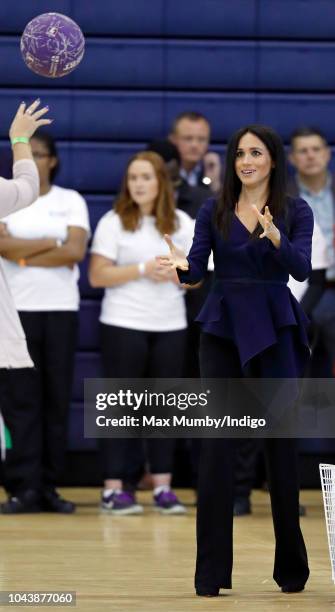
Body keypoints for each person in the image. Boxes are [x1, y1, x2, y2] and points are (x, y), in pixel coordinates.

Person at [157, 125, 312, 595]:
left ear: (273, 159)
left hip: (276, 327)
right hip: (222, 329)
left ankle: (292, 571)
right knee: (217, 448)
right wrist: (182, 268)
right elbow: (198, 269)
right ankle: (211, 575)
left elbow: (301, 268)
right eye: (240, 153)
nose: (247, 160)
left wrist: (275, 238)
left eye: (256, 152)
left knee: (281, 449)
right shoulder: (213, 208)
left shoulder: (295, 210)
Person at [89, 151, 195, 515]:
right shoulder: (114, 221)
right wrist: (142, 268)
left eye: (145, 177)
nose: (138, 184)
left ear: (160, 182)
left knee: (164, 409)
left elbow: (196, 280)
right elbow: (97, 275)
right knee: (120, 406)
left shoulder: (182, 222)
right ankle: (113, 488)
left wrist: (179, 273)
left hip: (169, 325)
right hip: (123, 323)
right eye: (133, 177)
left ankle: (163, 487)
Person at [0, 131, 90, 514]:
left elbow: (75, 250)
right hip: (15, 311)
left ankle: (50, 486)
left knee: (55, 401)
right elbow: (2, 246)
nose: (35, 159)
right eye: (28, 153)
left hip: (60, 310)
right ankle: (23, 488)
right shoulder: (11, 196)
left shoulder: (70, 201)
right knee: (20, 403)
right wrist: (52, 244)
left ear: (52, 160)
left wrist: (24, 250)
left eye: (41, 154)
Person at [288, 127, 335, 372]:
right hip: (301, 286)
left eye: (316, 149)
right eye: (303, 151)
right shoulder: (280, 197)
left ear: (327, 154)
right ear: (292, 159)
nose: (310, 156)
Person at [169, 111, 222, 195]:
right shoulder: (162, 173)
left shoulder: (218, 174)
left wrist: (215, 185)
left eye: (201, 139)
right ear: (173, 140)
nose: (195, 145)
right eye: (188, 138)